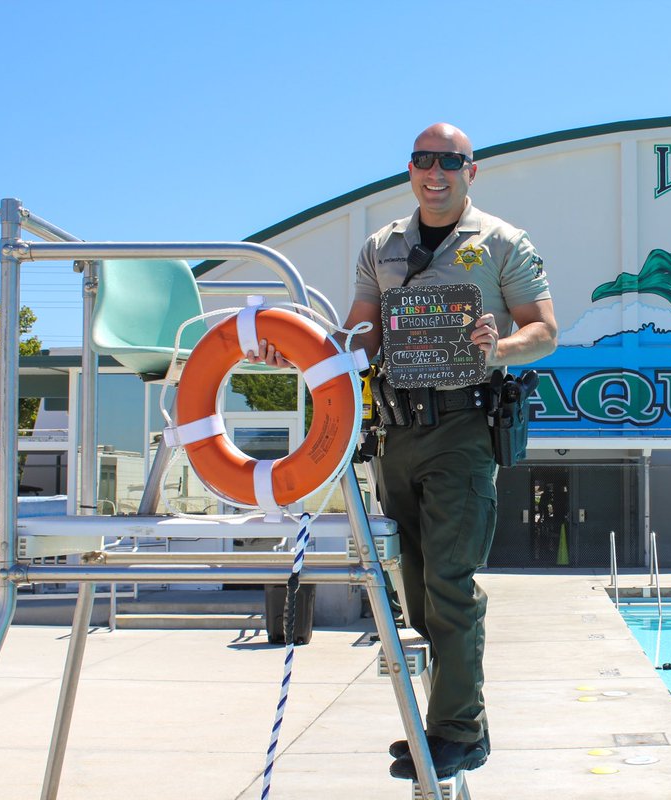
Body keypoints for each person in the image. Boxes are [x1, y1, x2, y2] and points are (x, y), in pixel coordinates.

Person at [257, 122, 556, 779]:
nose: (436, 171)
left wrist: (498, 348)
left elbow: (543, 330)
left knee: (449, 585)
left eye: (451, 161)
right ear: (411, 170)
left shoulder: (504, 243)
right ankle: (453, 722)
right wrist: (308, 347)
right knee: (415, 598)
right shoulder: (381, 246)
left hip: (462, 432)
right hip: (393, 435)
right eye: (424, 160)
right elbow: (360, 338)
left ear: (471, 171)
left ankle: (456, 732)